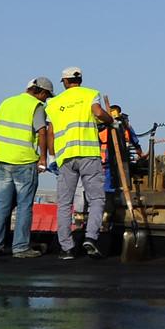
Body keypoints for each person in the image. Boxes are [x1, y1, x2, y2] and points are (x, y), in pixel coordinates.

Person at [46, 67, 114, 260]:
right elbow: (98, 113)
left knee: (64, 203)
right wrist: (111, 121)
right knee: (96, 199)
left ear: (65, 82)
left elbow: (50, 132)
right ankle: (91, 238)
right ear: (80, 80)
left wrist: (52, 156)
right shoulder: (90, 94)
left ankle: (66, 248)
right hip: (88, 155)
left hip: (65, 158)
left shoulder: (53, 103)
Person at [0, 76, 54, 259]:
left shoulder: (7, 103)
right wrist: (43, 158)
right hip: (24, 161)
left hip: (3, 160)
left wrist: (3, 148)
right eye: (46, 96)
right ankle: (20, 248)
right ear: (41, 92)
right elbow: (42, 132)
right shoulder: (36, 106)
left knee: (2, 204)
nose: (46, 100)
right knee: (24, 205)